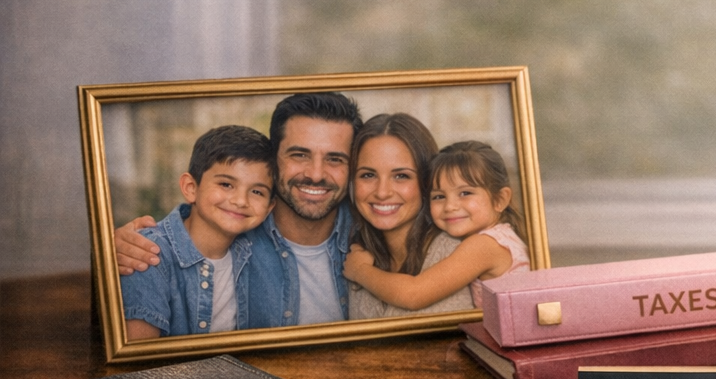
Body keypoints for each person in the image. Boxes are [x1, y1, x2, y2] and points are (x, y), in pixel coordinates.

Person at [115, 91, 363, 327]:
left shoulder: (371, 235)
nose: (316, 175)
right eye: (299, 155)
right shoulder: (232, 232)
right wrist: (110, 253)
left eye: (335, 159)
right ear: (273, 160)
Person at [120, 125, 274, 340]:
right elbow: (137, 361)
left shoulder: (256, 252)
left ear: (268, 209)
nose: (240, 201)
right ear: (191, 188)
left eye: (257, 191)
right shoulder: (146, 253)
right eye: (226, 184)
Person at [343, 140, 530, 312]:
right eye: (439, 196)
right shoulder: (497, 238)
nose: (450, 206)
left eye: (465, 193)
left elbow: (413, 295)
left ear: (500, 199)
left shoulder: (485, 245)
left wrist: (361, 271)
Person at [345, 113, 472, 319]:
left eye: (401, 176)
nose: (382, 192)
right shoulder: (356, 257)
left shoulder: (455, 253)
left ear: (426, 182)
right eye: (368, 175)